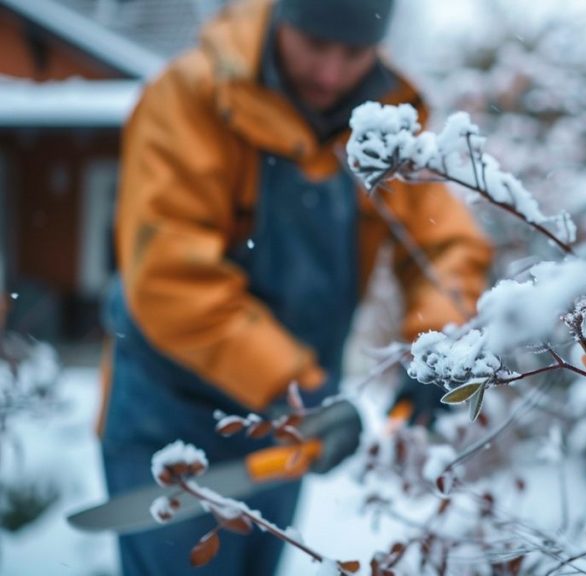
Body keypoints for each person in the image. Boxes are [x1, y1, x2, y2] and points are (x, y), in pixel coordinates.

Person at [97, 0, 492, 574]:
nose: (331, 74)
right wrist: (299, 389)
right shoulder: (190, 98)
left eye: (353, 53)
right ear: (283, 19)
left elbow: (446, 246)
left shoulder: (381, 119)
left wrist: (438, 344)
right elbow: (171, 280)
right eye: (316, 46)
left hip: (289, 429)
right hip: (170, 415)